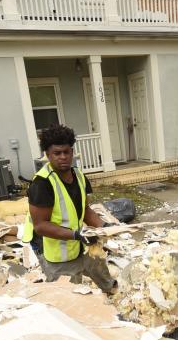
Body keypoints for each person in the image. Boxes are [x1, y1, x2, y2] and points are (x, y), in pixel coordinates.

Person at [21, 123, 116, 292]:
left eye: (66, 152)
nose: (63, 157)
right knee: (69, 296)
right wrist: (76, 235)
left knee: (98, 265)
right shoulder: (42, 183)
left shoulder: (78, 175)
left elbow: (85, 210)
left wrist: (104, 227)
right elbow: (40, 226)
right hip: (55, 253)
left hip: (78, 242)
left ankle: (112, 293)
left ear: (72, 152)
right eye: (57, 153)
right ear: (48, 155)